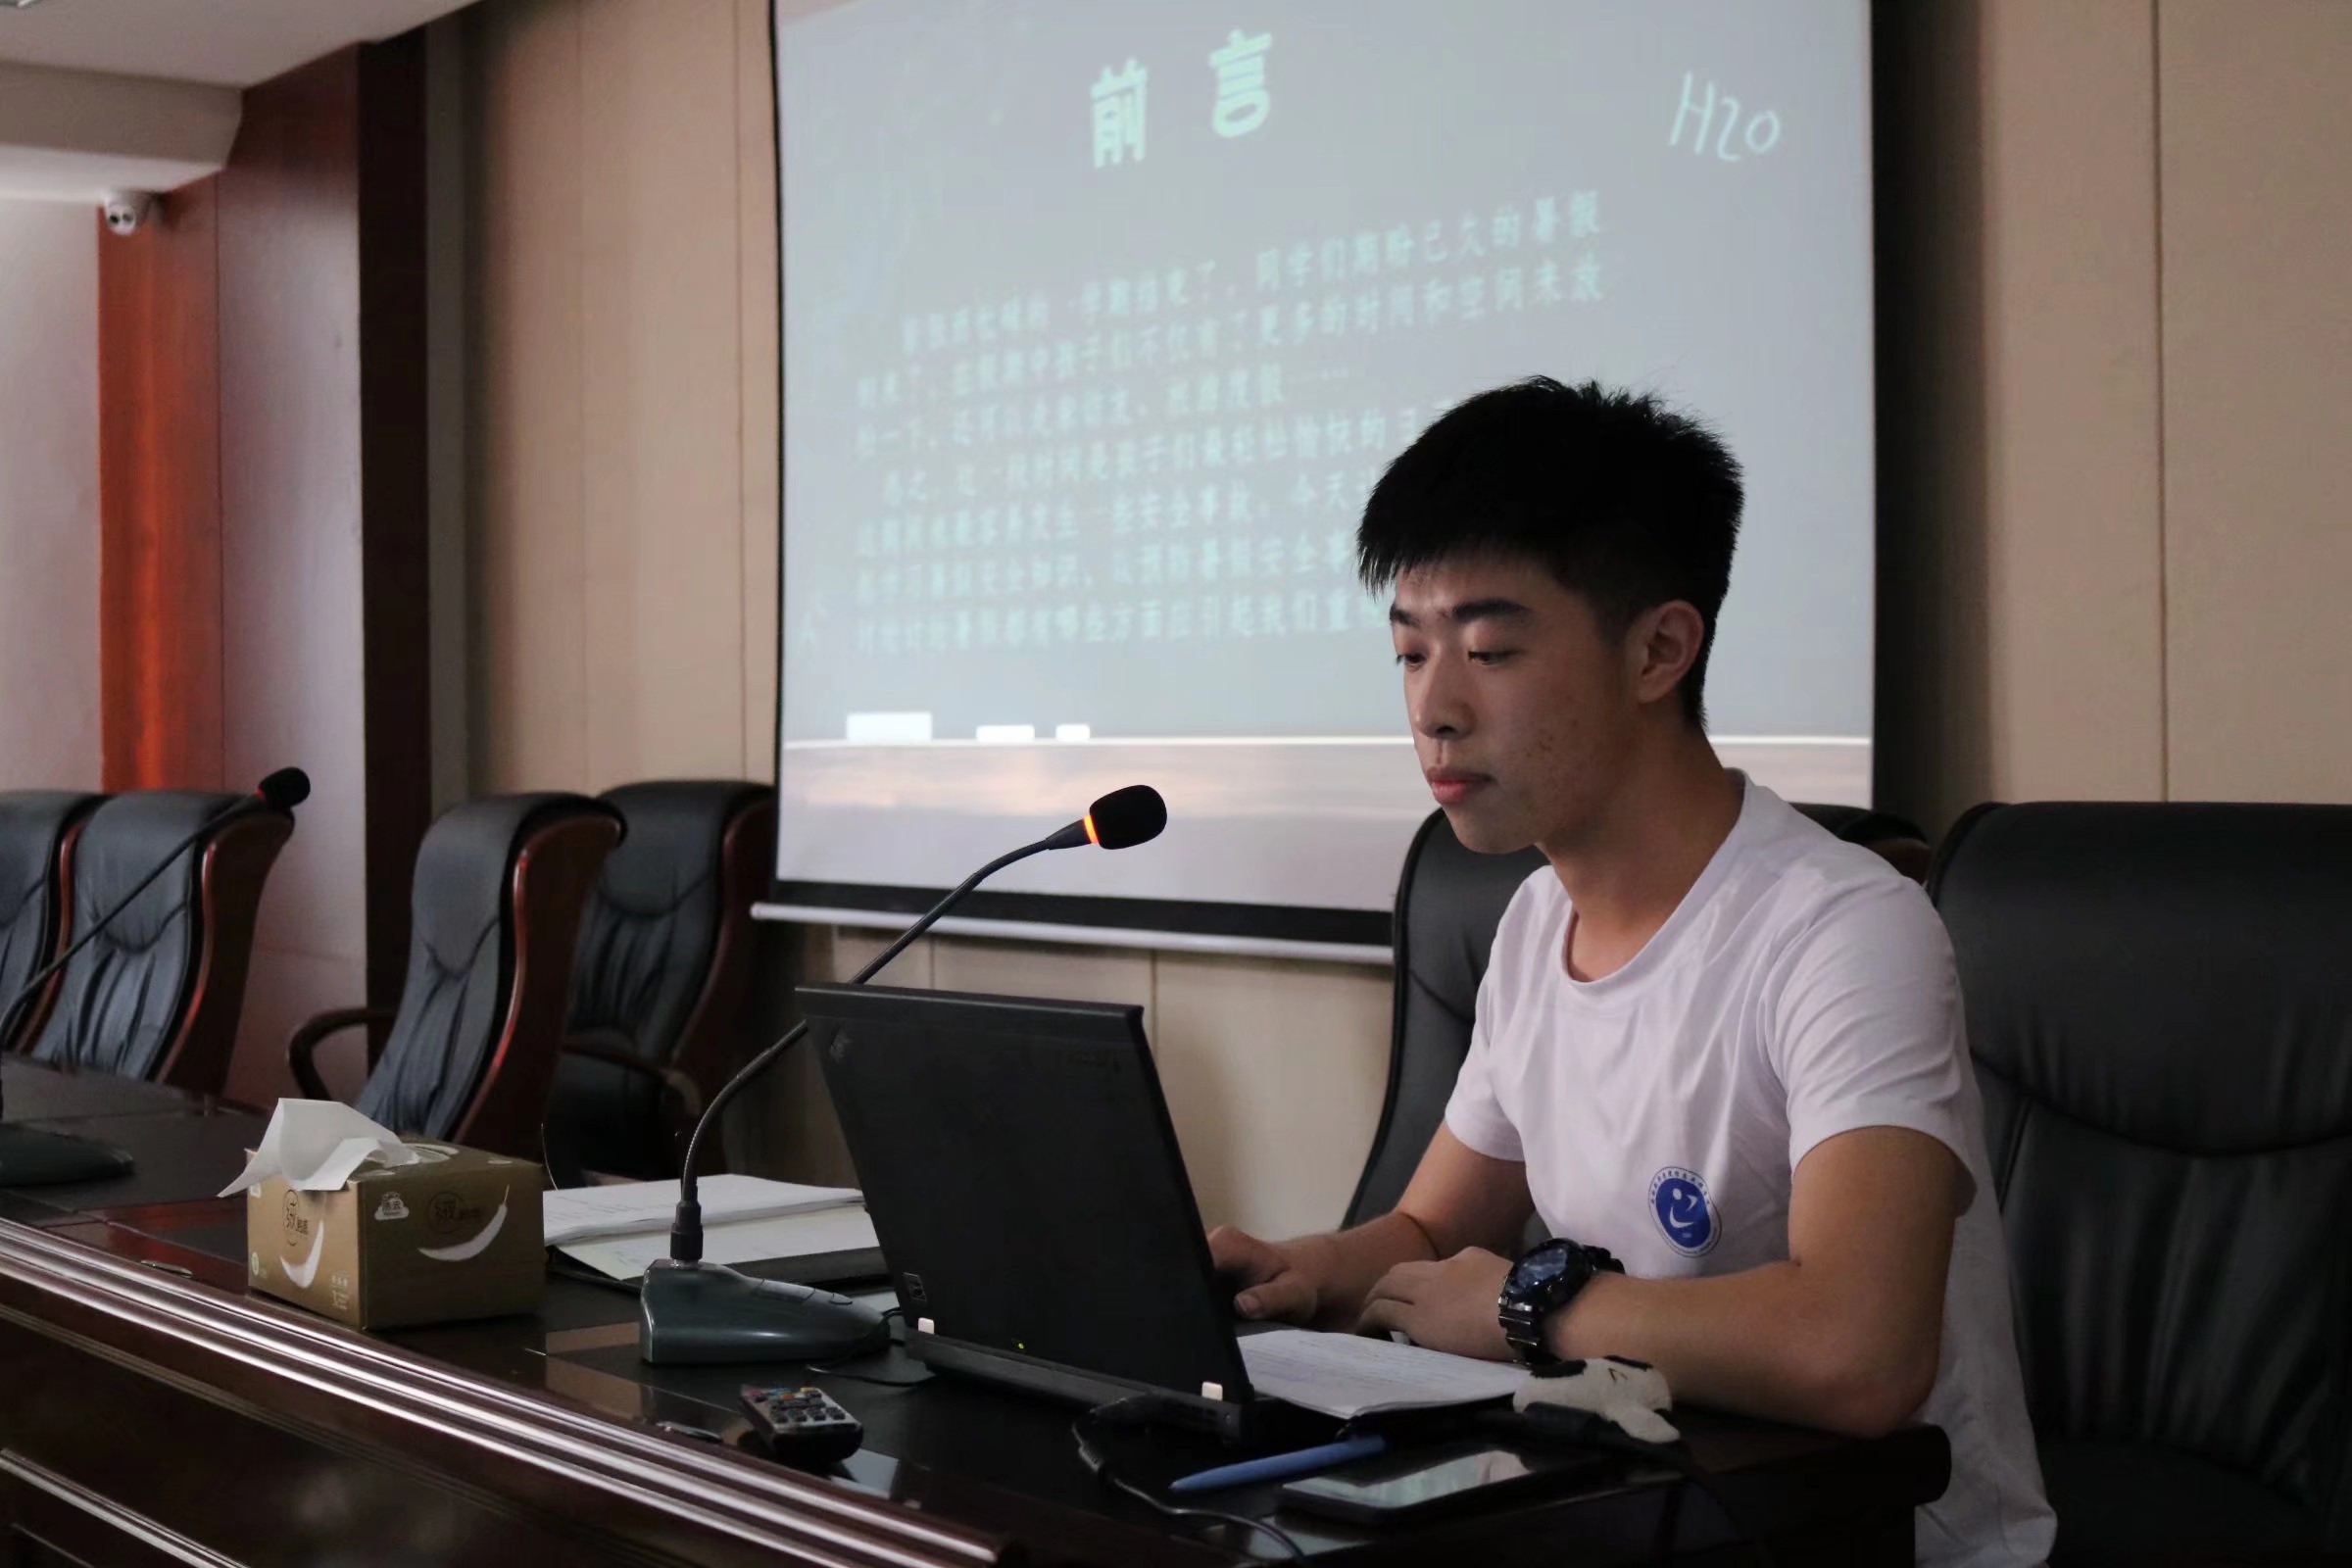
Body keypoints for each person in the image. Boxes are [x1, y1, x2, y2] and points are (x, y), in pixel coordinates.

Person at [1209, 378, 2054, 1566]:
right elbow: (1432, 1227)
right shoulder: (1533, 922)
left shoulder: (1844, 929)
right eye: (1410, 652)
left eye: (1491, 650)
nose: (1434, 709)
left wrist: (1529, 1311)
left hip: (1860, 1536)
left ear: (1659, 649)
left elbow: (1858, 1352)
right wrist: (1303, 1272)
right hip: (1637, 1508)